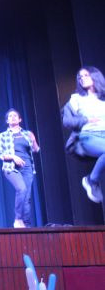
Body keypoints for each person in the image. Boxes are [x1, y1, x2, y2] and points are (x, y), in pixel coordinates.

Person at [62, 66, 105, 204]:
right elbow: (67, 121)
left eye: (86, 75)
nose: (82, 79)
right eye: (80, 77)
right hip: (88, 136)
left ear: (95, 76)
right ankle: (91, 181)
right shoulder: (76, 99)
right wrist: (85, 120)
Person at [0, 108, 41, 228]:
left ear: (20, 119)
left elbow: (36, 150)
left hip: (27, 168)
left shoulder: (26, 134)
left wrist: (34, 140)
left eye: (15, 116)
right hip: (11, 168)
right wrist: (13, 157)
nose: (13, 117)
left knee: (27, 198)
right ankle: (18, 219)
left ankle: (26, 225)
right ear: (7, 121)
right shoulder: (3, 135)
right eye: (10, 116)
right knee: (21, 189)